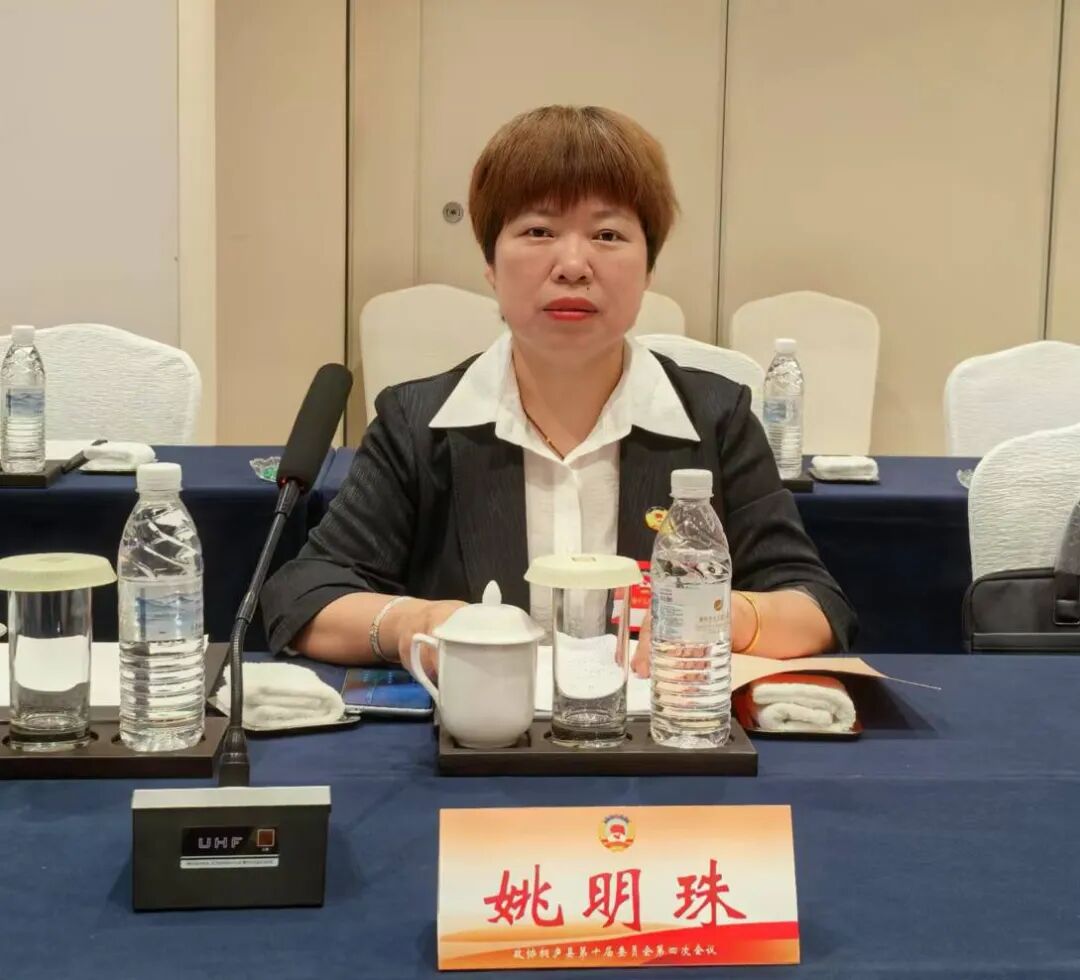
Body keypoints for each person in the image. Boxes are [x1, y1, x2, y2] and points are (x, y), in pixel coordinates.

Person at [261, 105, 856, 677]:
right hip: (478, 739)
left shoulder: (715, 416)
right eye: (539, 230)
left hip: (661, 735)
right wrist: (418, 622)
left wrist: (724, 616)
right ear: (490, 264)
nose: (573, 264)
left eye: (607, 234)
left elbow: (815, 605)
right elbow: (305, 598)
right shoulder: (418, 421)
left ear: (649, 268)